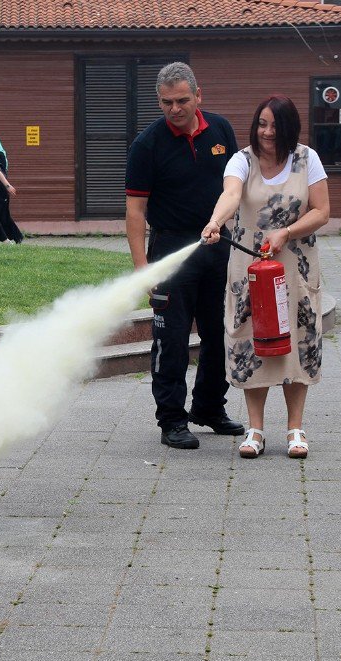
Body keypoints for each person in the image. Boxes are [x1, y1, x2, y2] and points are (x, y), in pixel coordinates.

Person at [202, 94, 330, 460]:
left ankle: (295, 428)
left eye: (275, 126)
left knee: (299, 339)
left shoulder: (308, 159)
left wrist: (286, 232)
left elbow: (322, 210)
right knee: (248, 338)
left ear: (290, 129)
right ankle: (255, 429)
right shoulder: (242, 160)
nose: (267, 132)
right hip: (249, 270)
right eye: (262, 124)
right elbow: (230, 194)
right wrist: (215, 222)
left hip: (295, 267)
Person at [125, 61, 244, 450]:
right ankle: (172, 419)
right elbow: (135, 212)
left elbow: (236, 186)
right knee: (171, 339)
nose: (174, 109)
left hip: (218, 246)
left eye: (181, 100)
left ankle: (209, 407)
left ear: (198, 96)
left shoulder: (222, 130)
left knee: (220, 333)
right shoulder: (147, 145)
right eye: (166, 103)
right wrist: (144, 270)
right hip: (172, 250)